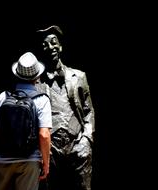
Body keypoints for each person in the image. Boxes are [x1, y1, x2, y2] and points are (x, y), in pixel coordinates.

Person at [34, 25, 95, 190]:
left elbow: (89, 111)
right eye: (45, 45)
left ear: (60, 45)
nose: (51, 47)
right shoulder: (36, 83)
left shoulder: (79, 77)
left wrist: (86, 139)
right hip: (50, 148)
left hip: (77, 143)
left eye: (54, 42)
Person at [0, 52, 52, 190]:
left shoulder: (3, 96)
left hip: (2, 160)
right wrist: (46, 164)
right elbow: (44, 135)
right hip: (29, 162)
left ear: (16, 74)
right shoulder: (42, 100)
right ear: (37, 76)